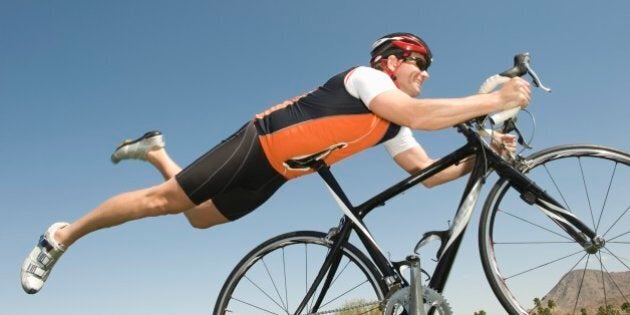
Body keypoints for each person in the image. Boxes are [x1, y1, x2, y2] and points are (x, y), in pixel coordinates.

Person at [21, 32, 529, 294]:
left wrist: (479, 157)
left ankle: (156, 151)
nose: (425, 72)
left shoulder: (395, 125)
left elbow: (430, 175)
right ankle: (61, 236)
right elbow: (415, 110)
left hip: (281, 173)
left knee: (197, 217)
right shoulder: (366, 80)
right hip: (257, 144)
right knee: (163, 202)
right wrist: (490, 101)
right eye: (419, 62)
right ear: (390, 62)